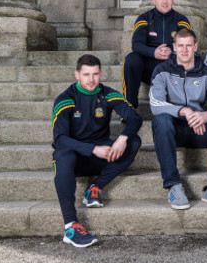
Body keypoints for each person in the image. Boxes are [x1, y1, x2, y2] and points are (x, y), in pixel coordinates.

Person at [52, 54, 142, 247]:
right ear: (77, 74)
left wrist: (122, 139)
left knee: (134, 142)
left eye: (95, 74)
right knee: (62, 155)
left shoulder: (108, 94)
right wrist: (92, 149)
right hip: (75, 157)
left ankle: (95, 188)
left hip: (103, 155)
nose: (91, 79)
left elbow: (134, 118)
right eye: (86, 74)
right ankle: (71, 226)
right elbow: (60, 139)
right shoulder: (66, 99)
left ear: (101, 74)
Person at [149, 28, 207, 210]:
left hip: (200, 129)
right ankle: (173, 185)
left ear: (195, 46)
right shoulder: (161, 70)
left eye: (188, 45)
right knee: (160, 120)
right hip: (173, 131)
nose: (184, 50)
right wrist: (184, 111)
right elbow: (155, 104)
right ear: (174, 47)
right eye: (180, 46)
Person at [122, 0, 191, 108]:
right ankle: (129, 106)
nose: (165, 1)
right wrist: (154, 52)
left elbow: (188, 43)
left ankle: (185, 103)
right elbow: (136, 44)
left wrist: (171, 51)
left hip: (172, 66)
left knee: (192, 56)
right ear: (154, 0)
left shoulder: (181, 20)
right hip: (149, 67)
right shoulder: (144, 18)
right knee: (131, 59)